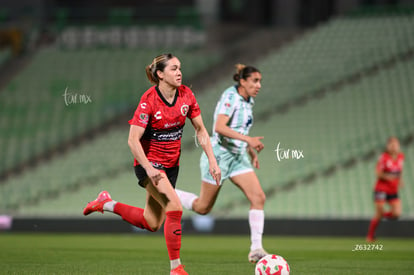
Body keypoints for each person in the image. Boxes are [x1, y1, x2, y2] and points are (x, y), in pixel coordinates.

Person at [83, 53, 221, 275]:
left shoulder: (186, 95)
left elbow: (201, 130)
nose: (179, 72)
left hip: (171, 166)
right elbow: (132, 139)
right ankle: (176, 269)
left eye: (180, 68)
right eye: (174, 68)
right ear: (160, 74)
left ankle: (106, 203)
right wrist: (148, 168)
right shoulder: (149, 100)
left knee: (152, 222)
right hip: (149, 167)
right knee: (175, 208)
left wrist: (212, 160)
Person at [176, 64, 270, 263]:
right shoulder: (231, 97)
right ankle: (168, 191)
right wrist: (249, 141)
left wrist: (249, 150)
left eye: (260, 81)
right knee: (203, 208)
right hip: (219, 155)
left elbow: (240, 129)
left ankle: (256, 249)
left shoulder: (248, 99)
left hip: (237, 157)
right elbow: (219, 127)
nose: (259, 85)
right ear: (242, 81)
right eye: (255, 80)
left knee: (258, 197)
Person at [366, 137, 404, 242]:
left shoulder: (401, 157)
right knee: (379, 213)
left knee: (396, 214)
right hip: (381, 189)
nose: (394, 147)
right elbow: (377, 173)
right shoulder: (384, 157)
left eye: (396, 145)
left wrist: (400, 180)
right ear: (388, 146)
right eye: (392, 145)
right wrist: (388, 177)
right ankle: (370, 236)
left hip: (393, 190)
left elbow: (399, 171)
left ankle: (382, 215)